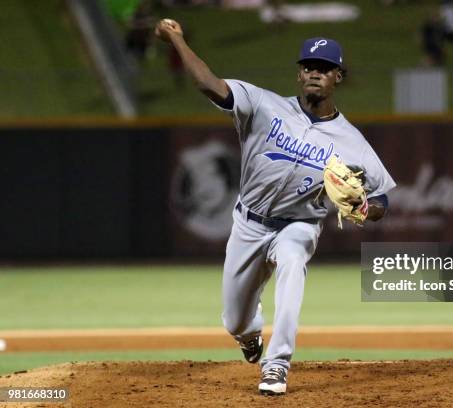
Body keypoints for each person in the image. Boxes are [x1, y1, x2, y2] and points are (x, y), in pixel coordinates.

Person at [155, 19, 396, 395]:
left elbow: (381, 199)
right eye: (309, 67)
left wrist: (363, 209)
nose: (315, 74)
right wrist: (176, 39)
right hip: (248, 224)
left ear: (338, 77)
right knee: (235, 320)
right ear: (299, 75)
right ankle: (249, 336)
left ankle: (277, 364)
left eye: (325, 68)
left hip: (298, 225)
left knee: (293, 261)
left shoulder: (353, 143)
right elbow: (208, 84)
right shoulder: (262, 104)